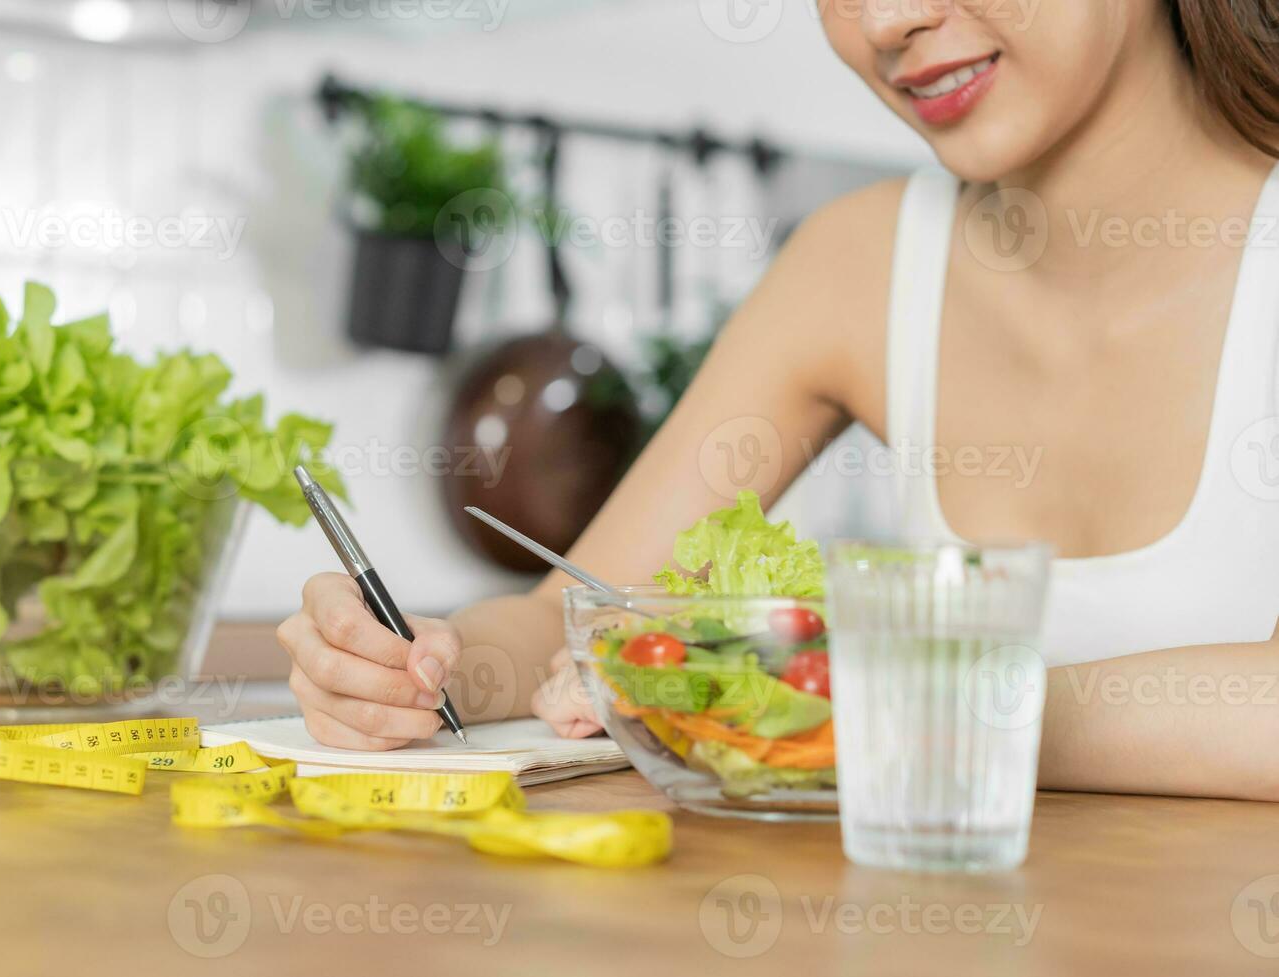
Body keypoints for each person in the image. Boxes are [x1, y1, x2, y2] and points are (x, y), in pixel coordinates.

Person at [279, 0, 1279, 800]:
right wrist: (417, 668)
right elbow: (574, 615)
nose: (885, 22)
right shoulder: (860, 261)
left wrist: (873, 704)